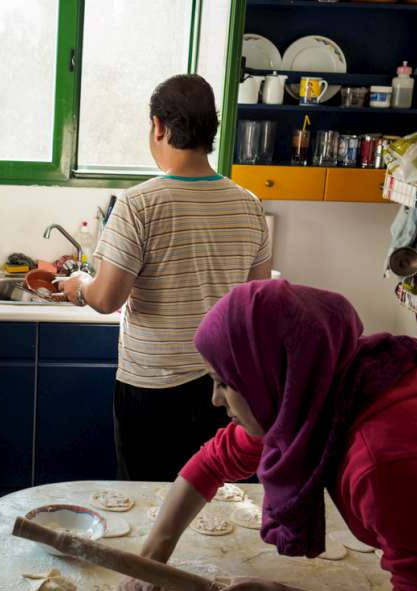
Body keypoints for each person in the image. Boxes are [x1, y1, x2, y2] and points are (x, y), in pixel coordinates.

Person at [108, 279, 417, 591]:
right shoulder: (323, 387)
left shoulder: (383, 462)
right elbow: (213, 462)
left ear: (271, 377)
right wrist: (151, 558)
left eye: (224, 382)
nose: (215, 399)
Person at [59, 74, 272, 482]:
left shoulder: (139, 204)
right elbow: (255, 302)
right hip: (224, 390)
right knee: (212, 506)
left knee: (146, 504)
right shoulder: (249, 206)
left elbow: (106, 299)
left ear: (159, 126)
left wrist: (78, 288)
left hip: (153, 387)